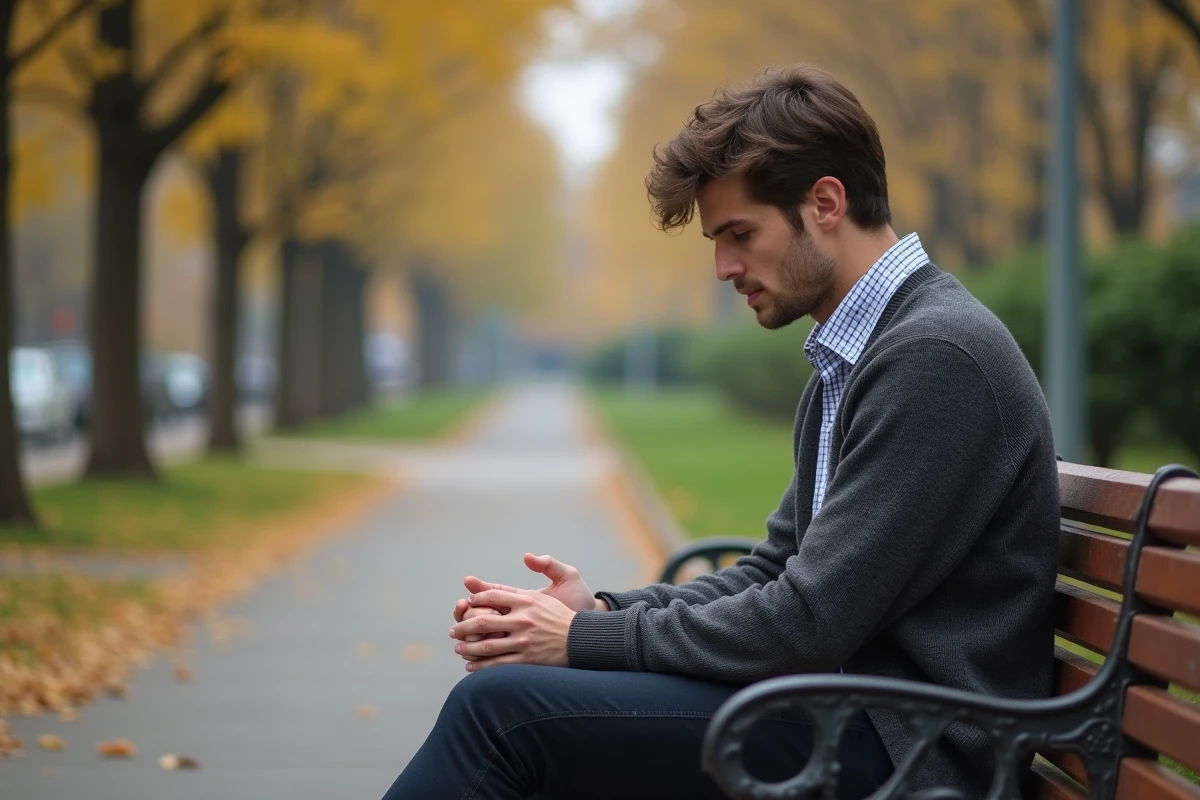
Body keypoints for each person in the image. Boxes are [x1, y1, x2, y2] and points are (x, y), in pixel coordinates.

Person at [382, 63, 1059, 800]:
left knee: (501, 716)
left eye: (739, 233)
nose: (723, 267)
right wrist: (604, 611)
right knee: (512, 713)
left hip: (909, 749)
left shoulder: (934, 358)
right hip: (849, 714)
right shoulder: (866, 351)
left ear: (826, 202)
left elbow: (807, 622)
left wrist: (580, 643)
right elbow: (777, 572)